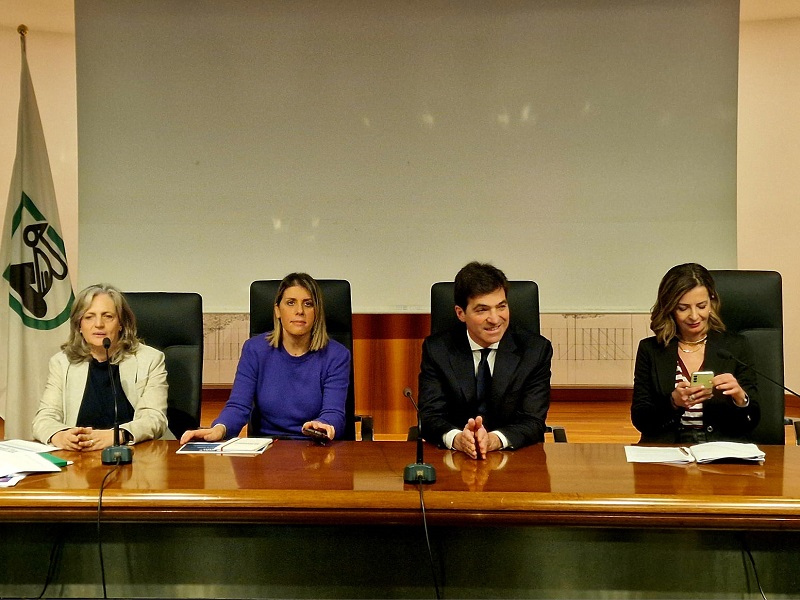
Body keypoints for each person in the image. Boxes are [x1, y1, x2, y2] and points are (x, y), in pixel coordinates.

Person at [181, 273, 349, 444]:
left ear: (317, 312)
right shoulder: (255, 350)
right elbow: (238, 406)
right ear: (277, 310)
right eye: (291, 303)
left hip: (313, 446)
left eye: (308, 304)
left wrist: (323, 425)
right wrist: (219, 429)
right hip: (265, 447)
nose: (299, 311)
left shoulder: (336, 355)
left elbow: (333, 412)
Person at [418, 261, 552, 459]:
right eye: (482, 310)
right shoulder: (437, 350)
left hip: (515, 457)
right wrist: (457, 439)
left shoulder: (535, 351)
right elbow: (430, 416)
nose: (495, 319)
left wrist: (493, 440)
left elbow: (533, 421)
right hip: (454, 457)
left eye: (501, 307)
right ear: (461, 313)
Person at [631, 263, 760, 444]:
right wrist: (673, 402)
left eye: (701, 306)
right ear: (669, 308)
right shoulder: (650, 349)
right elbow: (641, 419)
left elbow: (752, 421)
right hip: (668, 448)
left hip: (719, 447)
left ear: (711, 302)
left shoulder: (736, 346)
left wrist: (740, 398)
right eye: (683, 308)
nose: (694, 316)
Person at [32, 284, 169, 450]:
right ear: (79, 325)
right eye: (89, 317)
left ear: (121, 324)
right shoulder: (62, 363)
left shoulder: (150, 360)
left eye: (108, 316)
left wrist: (117, 436)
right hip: (79, 456)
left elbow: (154, 418)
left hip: (136, 455)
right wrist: (60, 436)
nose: (98, 324)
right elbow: (44, 418)